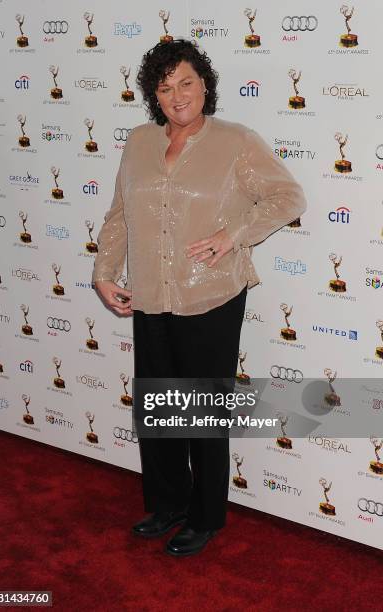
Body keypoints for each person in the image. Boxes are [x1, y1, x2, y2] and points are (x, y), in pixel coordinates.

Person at [93, 39, 306, 556]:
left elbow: (288, 196)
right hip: (150, 291)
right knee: (160, 407)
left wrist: (231, 235)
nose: (177, 95)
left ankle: (206, 515)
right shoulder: (139, 141)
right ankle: (167, 503)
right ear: (154, 96)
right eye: (164, 88)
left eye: (186, 82)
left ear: (204, 84)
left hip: (211, 294)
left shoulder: (235, 140)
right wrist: (104, 271)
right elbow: (121, 212)